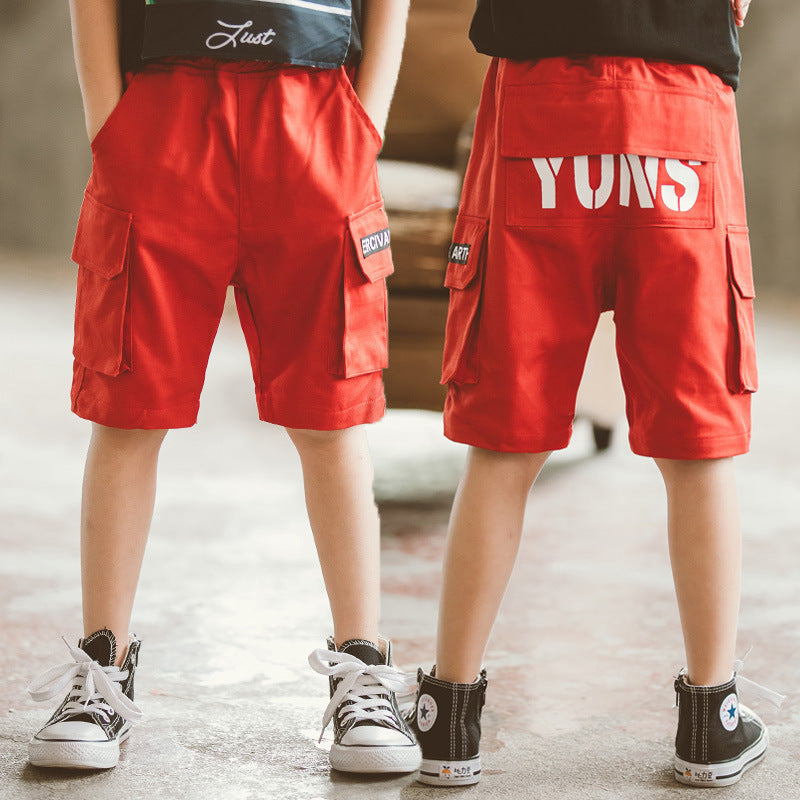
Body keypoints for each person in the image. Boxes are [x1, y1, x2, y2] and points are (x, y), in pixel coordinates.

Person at [26, 0, 420, 775]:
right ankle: (102, 670)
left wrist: (362, 124)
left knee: (331, 420)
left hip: (314, 117)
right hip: (164, 112)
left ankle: (363, 670)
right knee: (128, 412)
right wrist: (111, 125)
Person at [413, 0, 779, 788]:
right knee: (697, 445)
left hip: (539, 99)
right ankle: (710, 721)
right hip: (679, 106)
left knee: (505, 443)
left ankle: (449, 717)